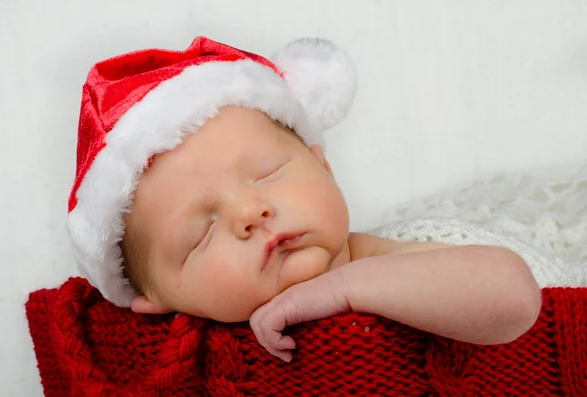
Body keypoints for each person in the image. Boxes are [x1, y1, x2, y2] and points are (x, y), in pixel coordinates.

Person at [66, 36, 541, 363]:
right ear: (155, 300)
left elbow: (517, 296)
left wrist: (343, 288)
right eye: (201, 232)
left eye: (268, 174)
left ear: (324, 167)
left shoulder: (392, 255)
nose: (251, 212)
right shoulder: (188, 357)